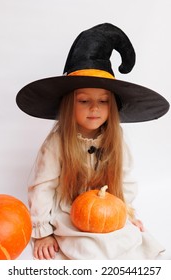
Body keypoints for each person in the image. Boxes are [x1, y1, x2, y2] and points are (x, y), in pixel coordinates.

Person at [16, 23, 169, 260]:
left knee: (131, 240)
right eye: (84, 101)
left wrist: (126, 212)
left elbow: (125, 179)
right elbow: (42, 188)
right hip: (69, 212)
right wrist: (42, 232)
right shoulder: (57, 143)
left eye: (103, 101)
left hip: (105, 208)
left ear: (113, 106)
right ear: (70, 105)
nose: (95, 108)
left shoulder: (117, 139)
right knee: (88, 250)